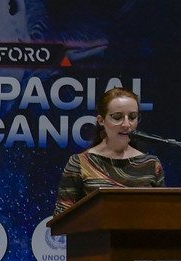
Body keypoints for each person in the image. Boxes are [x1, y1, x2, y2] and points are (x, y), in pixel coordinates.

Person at [53, 86, 163, 217]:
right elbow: (61, 217)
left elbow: (162, 215)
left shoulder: (151, 164)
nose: (126, 124)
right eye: (117, 117)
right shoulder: (80, 163)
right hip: (94, 237)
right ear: (101, 120)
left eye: (132, 117)